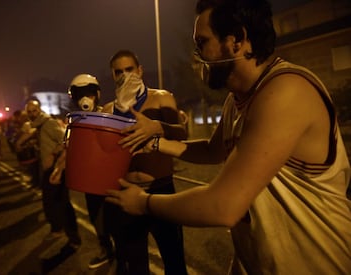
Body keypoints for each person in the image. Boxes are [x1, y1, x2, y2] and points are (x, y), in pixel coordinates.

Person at [105, 0, 351, 274]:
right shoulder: (237, 100)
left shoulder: (286, 90)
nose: (196, 53)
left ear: (237, 41)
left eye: (202, 42)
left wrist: (143, 202)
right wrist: (156, 140)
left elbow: (223, 205)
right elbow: (213, 150)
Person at [101, 49, 188, 275]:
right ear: (112, 75)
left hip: (161, 189)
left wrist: (157, 128)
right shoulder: (109, 110)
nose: (124, 75)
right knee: (135, 266)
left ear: (140, 70)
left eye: (129, 69)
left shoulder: (161, 97)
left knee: (174, 261)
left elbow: (182, 134)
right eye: (118, 71)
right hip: (128, 191)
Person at [50, 73, 115, 269]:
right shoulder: (76, 122)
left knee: (118, 220)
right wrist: (59, 168)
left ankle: (125, 256)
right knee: (97, 219)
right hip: (91, 183)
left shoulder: (111, 115)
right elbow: (71, 148)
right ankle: (106, 250)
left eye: (88, 94)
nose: (84, 99)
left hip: (112, 180)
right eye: (79, 95)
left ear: (97, 94)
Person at [24, 99, 81, 250]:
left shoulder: (48, 123)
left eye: (34, 111)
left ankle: (72, 238)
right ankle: (59, 230)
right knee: (52, 202)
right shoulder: (38, 126)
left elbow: (66, 139)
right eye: (29, 112)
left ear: (39, 110)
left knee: (61, 203)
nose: (31, 114)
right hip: (48, 170)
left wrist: (54, 154)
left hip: (57, 168)